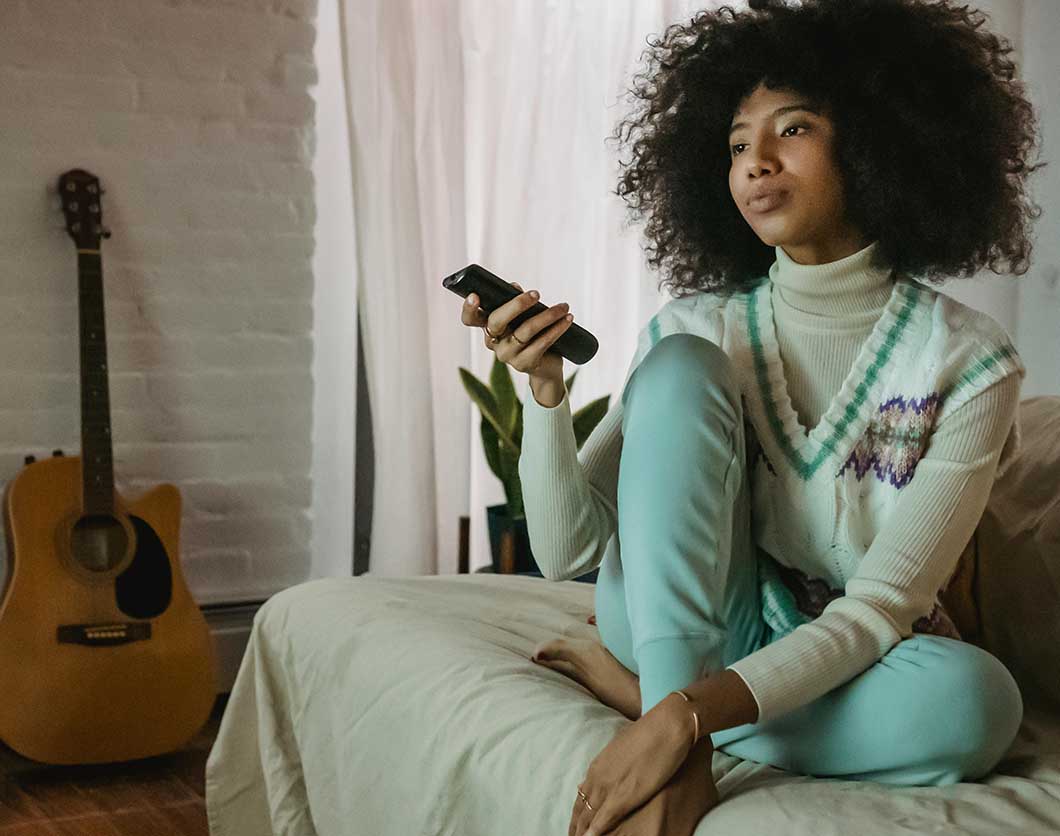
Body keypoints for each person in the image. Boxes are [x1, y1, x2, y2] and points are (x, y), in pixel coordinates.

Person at [458, 1, 1045, 834]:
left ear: (877, 143)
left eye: (792, 130)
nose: (756, 163)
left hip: (838, 652)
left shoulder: (970, 361)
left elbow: (880, 608)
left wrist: (681, 713)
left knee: (978, 703)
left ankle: (659, 708)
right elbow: (569, 553)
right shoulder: (694, 327)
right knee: (681, 366)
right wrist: (546, 395)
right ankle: (679, 726)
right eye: (737, 145)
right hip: (685, 624)